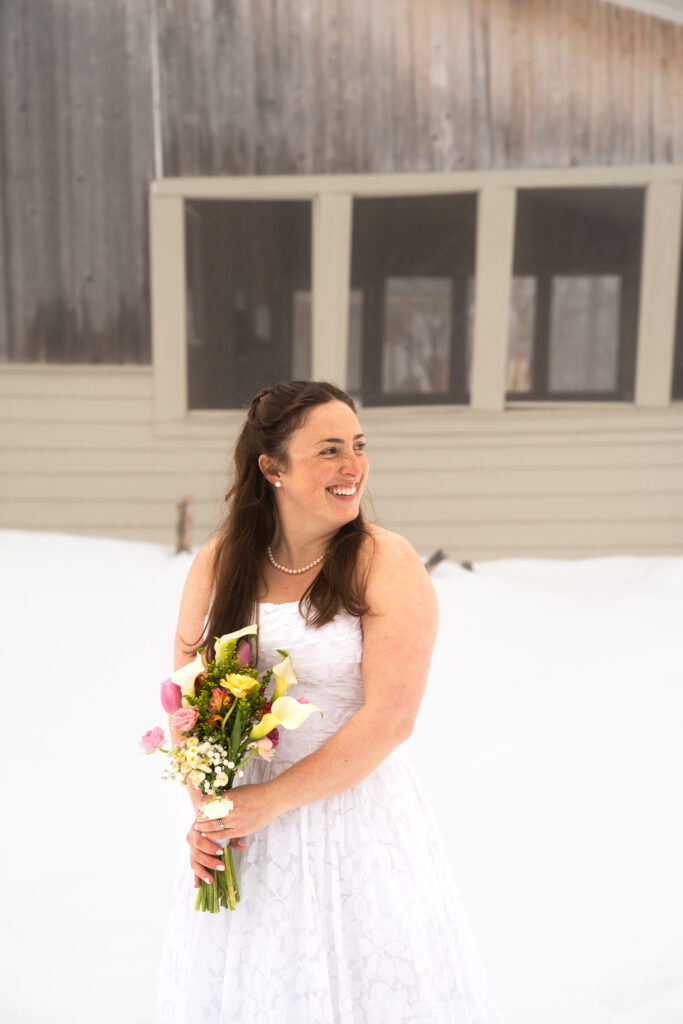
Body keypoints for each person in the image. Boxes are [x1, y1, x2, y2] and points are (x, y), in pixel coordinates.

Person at [156, 380, 505, 1023]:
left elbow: (392, 718)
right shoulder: (221, 561)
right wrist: (210, 811)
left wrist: (270, 801)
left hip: (355, 823)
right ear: (273, 468)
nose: (353, 467)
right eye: (329, 450)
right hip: (246, 834)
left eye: (358, 446)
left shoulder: (383, 560)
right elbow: (186, 698)